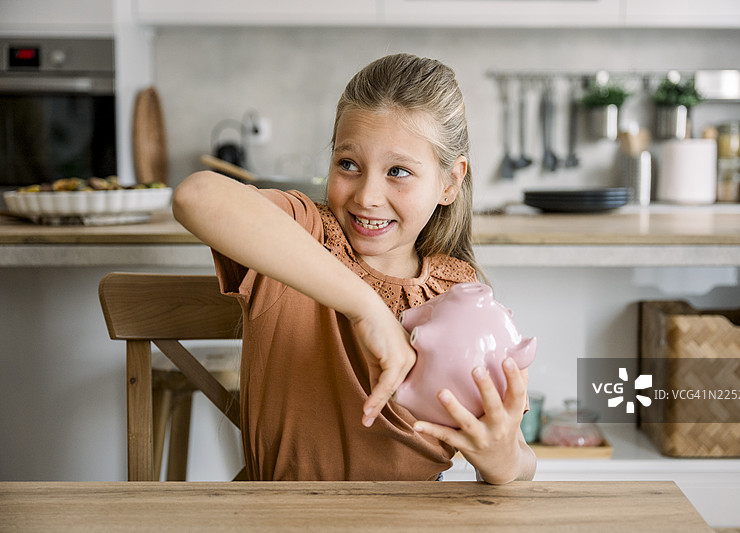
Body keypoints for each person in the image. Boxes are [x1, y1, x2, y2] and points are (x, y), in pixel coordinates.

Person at [172, 53, 536, 484]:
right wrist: (367, 309)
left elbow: (521, 459)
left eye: (398, 171)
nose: (367, 196)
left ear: (450, 182)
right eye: (348, 165)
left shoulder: (457, 292)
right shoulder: (302, 234)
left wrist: (504, 460)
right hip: (279, 517)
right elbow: (195, 196)